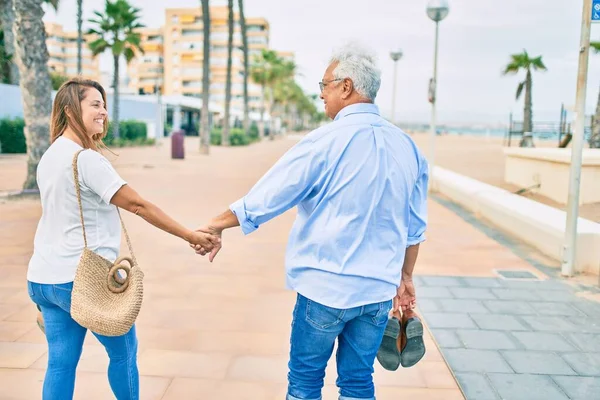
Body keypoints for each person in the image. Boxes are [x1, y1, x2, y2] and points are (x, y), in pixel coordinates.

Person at [192, 43, 428, 400]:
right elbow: (414, 228)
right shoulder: (408, 147)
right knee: (358, 382)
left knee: (304, 384)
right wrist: (405, 277)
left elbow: (268, 196)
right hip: (378, 292)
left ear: (346, 87)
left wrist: (215, 224)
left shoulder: (324, 140)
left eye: (325, 85)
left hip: (325, 289)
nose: (321, 94)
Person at [27, 78, 219, 400]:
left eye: (104, 104)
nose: (103, 112)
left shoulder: (49, 157)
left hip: (45, 278)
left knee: (60, 364)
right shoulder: (86, 159)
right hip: (81, 280)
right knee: (124, 353)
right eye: (95, 104)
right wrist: (189, 234)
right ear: (70, 109)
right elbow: (138, 205)